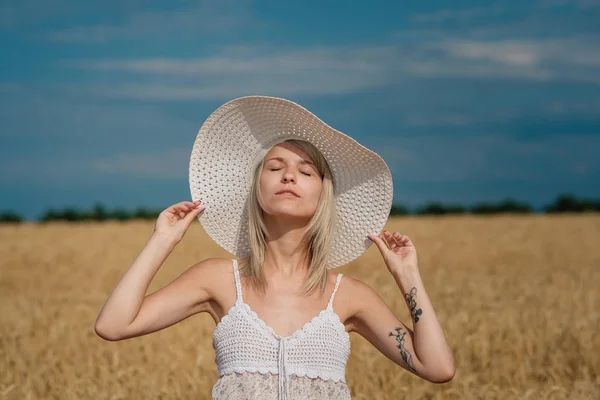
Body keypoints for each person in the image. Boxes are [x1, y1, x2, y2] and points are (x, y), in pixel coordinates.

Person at [95, 96, 455, 399]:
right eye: (275, 167)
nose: (288, 176)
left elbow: (437, 367)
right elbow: (113, 325)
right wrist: (162, 240)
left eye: (306, 171)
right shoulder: (218, 279)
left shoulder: (348, 297)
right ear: (257, 189)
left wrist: (407, 275)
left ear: (322, 195)